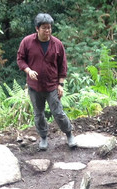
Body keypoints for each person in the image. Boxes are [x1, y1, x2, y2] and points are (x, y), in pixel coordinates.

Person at [16, 13, 76, 151]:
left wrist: (60, 85)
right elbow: (20, 59)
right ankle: (43, 137)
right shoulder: (27, 42)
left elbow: (63, 66)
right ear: (37, 28)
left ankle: (69, 134)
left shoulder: (57, 44)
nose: (47, 30)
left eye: (49, 28)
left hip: (51, 86)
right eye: (44, 28)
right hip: (34, 86)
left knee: (58, 113)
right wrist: (28, 70)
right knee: (39, 114)